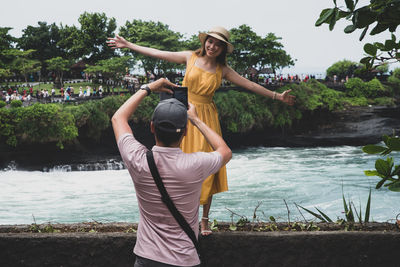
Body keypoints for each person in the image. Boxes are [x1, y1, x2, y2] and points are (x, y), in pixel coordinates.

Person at [108, 26, 295, 235]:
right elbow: (158, 53)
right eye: (210, 41)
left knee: (208, 166)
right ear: (204, 41)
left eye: (218, 44)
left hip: (205, 117)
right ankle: (183, 215)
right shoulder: (190, 57)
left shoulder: (222, 70)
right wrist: (128, 45)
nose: (212, 46)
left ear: (223, 48)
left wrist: (277, 96)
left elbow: (249, 84)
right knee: (181, 163)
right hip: (184, 112)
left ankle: (204, 220)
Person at [112, 78, 232, 267]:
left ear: (152, 127)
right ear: (185, 132)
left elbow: (118, 118)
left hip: (146, 258)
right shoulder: (195, 164)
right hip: (184, 259)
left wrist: (148, 88)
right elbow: (224, 151)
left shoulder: (138, 159)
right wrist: (196, 119)